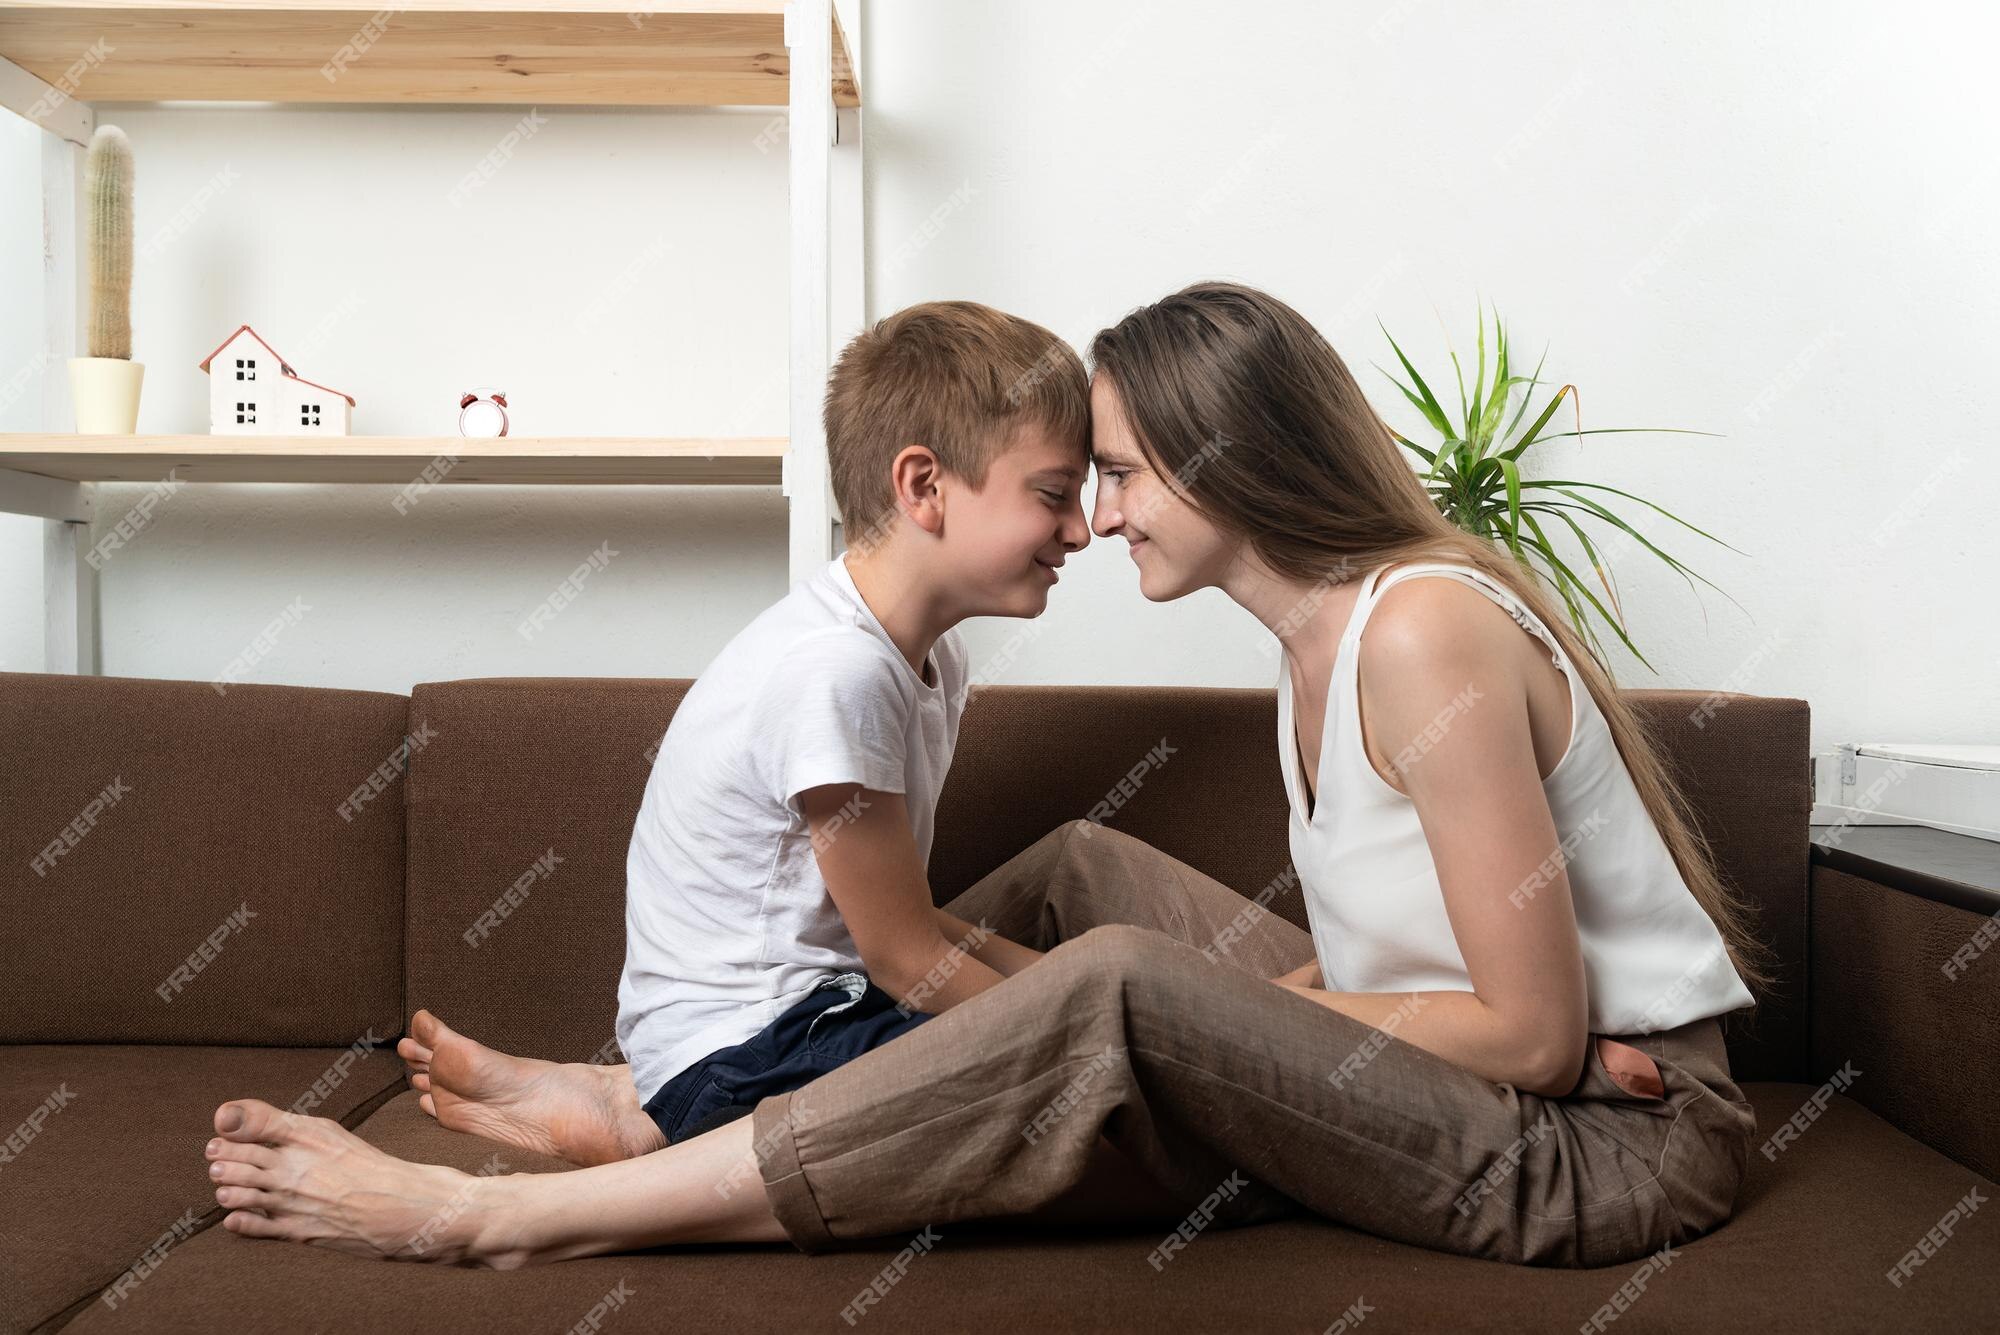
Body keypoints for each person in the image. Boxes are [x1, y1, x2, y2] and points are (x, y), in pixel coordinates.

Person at [203, 281, 1770, 1270]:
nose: (1101, 515)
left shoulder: (1420, 632)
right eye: (1078, 482)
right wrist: (1263, 1013)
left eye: (1123, 472)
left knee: (1114, 986)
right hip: (1551, 1091)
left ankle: (501, 1217)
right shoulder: (1325, 648)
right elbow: (1401, 980)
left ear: (1223, 469)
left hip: (1601, 1153)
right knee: (1089, 885)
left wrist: (1212, 1013)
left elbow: (1531, 1027)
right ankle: (665, 1101)